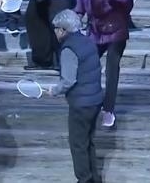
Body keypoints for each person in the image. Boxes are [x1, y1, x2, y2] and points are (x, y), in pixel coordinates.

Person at [74, 0, 133, 128]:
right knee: (86, 63)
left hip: (116, 31)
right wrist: (74, 20)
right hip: (95, 31)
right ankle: (89, 100)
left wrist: (121, 14)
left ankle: (108, 109)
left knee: (111, 69)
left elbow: (127, 1)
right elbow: (79, 8)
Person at [47, 9, 103, 183]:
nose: (55, 32)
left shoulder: (68, 49)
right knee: (89, 141)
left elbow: (68, 80)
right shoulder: (88, 41)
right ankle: (94, 178)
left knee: (78, 144)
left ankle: (84, 179)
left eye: (56, 29)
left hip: (81, 103)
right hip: (95, 99)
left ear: (63, 30)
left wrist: (54, 90)